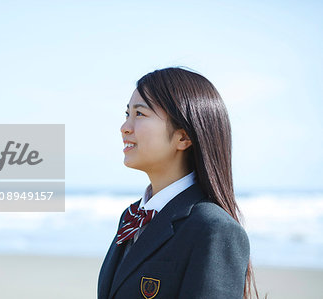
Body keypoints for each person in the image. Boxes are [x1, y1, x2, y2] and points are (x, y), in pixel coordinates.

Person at [97, 67, 259, 299]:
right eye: (127, 114)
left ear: (183, 137)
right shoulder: (131, 216)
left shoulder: (213, 229)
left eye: (140, 114)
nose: (125, 127)